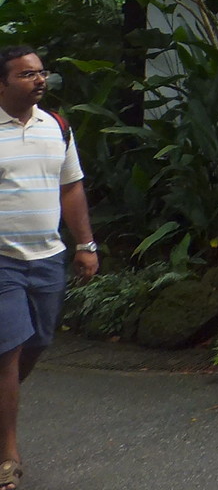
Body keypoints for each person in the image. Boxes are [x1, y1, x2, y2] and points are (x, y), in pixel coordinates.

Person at [0, 45, 98, 490]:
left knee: (37, 341)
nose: (39, 80)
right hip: (2, 260)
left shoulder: (56, 126)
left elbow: (71, 188)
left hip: (47, 257)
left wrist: (85, 244)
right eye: (26, 74)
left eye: (41, 72)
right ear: (2, 83)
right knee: (9, 348)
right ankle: (8, 454)